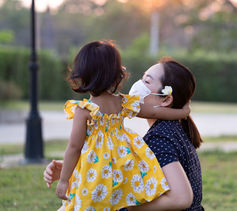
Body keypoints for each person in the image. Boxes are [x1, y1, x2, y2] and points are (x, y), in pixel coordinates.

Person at [44, 57, 203, 210]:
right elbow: (120, 164)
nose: (138, 84)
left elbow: (181, 198)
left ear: (166, 100)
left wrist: (125, 204)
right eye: (142, 78)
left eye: (147, 81)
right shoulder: (173, 128)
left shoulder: (160, 137)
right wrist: (74, 168)